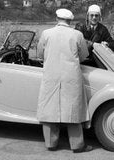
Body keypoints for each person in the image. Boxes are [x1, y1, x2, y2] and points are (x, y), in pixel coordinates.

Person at [37, 8, 92, 153]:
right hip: (71, 75)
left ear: (57, 19)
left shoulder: (46, 34)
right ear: (70, 21)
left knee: (50, 108)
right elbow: (83, 55)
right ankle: (77, 145)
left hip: (51, 74)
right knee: (73, 109)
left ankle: (51, 143)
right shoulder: (77, 35)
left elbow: (40, 54)